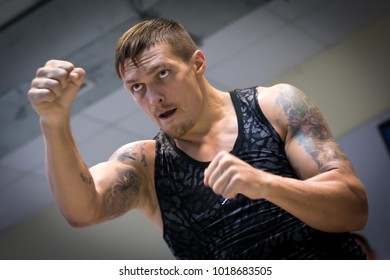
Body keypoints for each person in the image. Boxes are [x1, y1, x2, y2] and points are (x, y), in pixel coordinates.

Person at [28, 18, 368, 259]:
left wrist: (266, 185)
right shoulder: (146, 165)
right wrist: (54, 122)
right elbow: (82, 210)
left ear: (197, 63)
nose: (153, 98)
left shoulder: (274, 106)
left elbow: (354, 209)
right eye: (137, 87)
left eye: (162, 73)